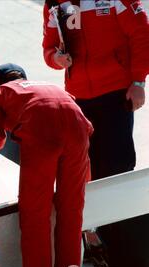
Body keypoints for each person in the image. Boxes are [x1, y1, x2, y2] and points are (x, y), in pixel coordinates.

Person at [0, 64, 93, 267]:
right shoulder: (51, 87)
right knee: (72, 217)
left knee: (35, 217)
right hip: (78, 131)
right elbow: (83, 125)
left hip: (41, 132)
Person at [42, 0, 149, 181]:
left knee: (118, 166)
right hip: (77, 99)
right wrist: (56, 58)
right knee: (85, 168)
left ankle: (122, 208)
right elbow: (48, 48)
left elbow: (142, 34)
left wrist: (138, 82)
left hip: (115, 93)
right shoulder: (55, 3)